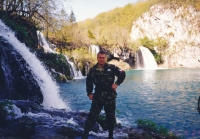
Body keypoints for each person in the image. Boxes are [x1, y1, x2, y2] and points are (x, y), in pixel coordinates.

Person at [82, 50, 126, 139]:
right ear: (97, 58)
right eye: (100, 58)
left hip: (110, 97)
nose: (101, 59)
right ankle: (85, 135)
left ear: (105, 58)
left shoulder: (112, 67)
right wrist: (89, 93)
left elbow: (122, 74)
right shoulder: (93, 69)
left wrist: (116, 83)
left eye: (103, 58)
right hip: (97, 96)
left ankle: (110, 136)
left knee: (110, 117)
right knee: (92, 116)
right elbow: (89, 81)